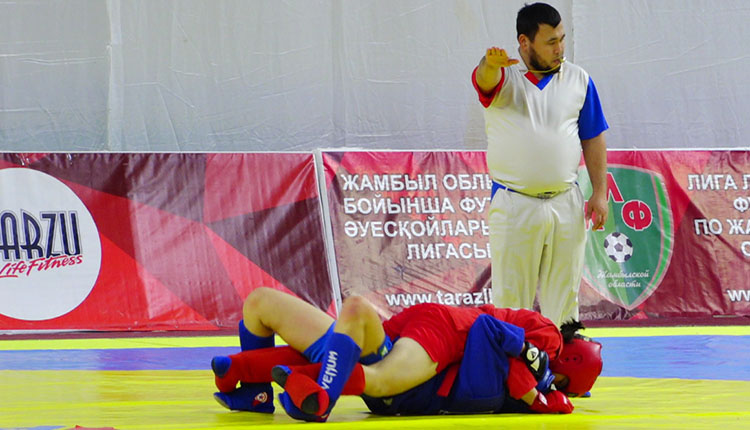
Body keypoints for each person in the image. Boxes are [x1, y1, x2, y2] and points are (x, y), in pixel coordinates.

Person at [211, 287, 602, 420]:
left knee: (261, 303)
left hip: (414, 322)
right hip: (444, 331)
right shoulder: (549, 341)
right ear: (566, 362)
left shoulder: (539, 329)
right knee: (380, 382)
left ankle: (256, 393)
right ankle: (322, 400)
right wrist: (544, 395)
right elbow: (521, 371)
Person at [473, 2, 609, 326]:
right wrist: (487, 63)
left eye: (562, 39)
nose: (560, 48)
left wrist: (600, 192)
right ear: (524, 42)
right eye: (551, 42)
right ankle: (512, 373)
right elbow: (484, 79)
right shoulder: (503, 79)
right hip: (514, 202)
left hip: (566, 202)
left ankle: (560, 372)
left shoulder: (579, 80)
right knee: (510, 300)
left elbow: (593, 137)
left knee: (564, 298)